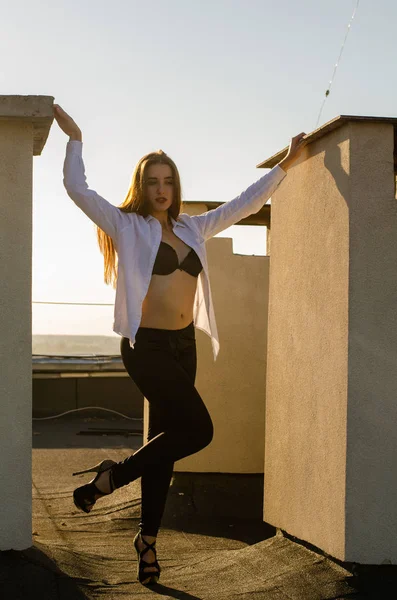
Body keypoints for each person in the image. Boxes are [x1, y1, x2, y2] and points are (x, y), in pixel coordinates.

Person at [53, 103, 306, 586]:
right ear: (142, 187)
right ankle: (112, 479)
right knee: (200, 430)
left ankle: (146, 541)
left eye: (168, 181)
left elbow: (244, 204)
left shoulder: (193, 227)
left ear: (176, 186)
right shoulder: (127, 227)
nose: (162, 190)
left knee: (166, 447)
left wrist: (286, 164)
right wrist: (75, 139)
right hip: (145, 348)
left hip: (183, 347)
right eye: (153, 182)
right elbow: (77, 189)